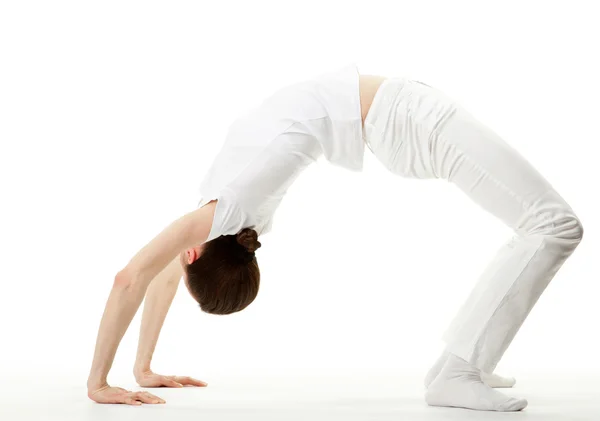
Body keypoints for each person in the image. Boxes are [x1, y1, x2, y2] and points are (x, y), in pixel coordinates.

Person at [86, 65, 583, 411]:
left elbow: (153, 278)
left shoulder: (225, 211)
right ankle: (460, 371)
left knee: (543, 226)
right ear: (193, 254)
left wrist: (139, 370)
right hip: (406, 119)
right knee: (554, 226)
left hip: (403, 119)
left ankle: (462, 366)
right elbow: (135, 277)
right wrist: (101, 382)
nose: (175, 263)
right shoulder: (228, 208)